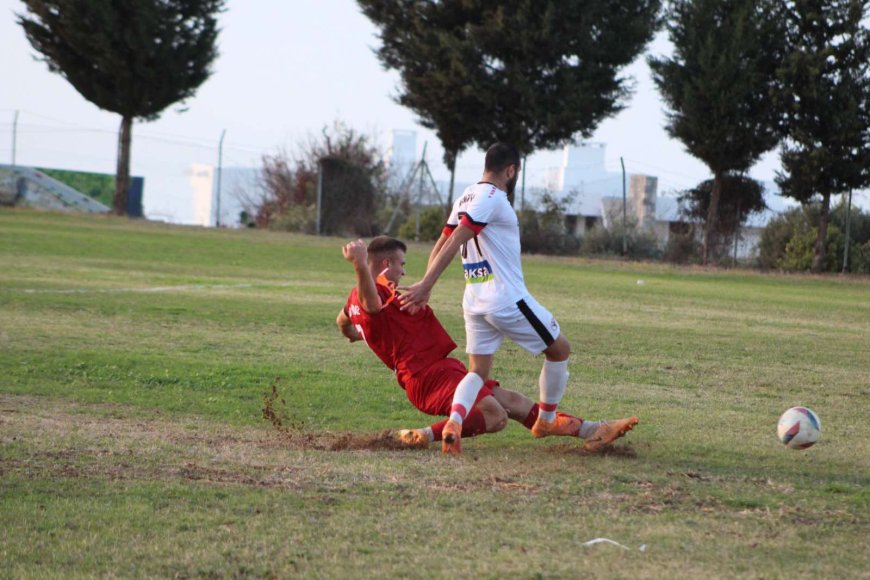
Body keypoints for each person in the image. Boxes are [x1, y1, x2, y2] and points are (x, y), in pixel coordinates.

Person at [399, 142, 638, 454]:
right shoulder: (492, 197)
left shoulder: (465, 195)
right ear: (510, 171)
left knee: (477, 372)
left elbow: (443, 240)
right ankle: (548, 420)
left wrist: (426, 279)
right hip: (506, 299)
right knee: (560, 350)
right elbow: (460, 236)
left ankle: (454, 423)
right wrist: (427, 284)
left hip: (474, 300)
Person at [337, 236, 608, 454]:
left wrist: (369, 335)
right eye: (401, 265)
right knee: (495, 417)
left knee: (514, 402)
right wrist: (359, 263)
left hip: (439, 369)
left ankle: (589, 430)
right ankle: (424, 435)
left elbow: (346, 324)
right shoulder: (378, 291)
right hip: (427, 375)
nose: (404, 271)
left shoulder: (355, 301)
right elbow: (371, 305)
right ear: (386, 263)